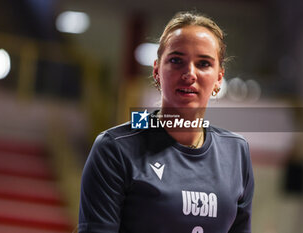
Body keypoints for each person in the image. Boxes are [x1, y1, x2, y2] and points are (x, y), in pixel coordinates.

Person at [78, 11, 254, 233]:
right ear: (157, 71)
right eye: (176, 60)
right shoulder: (114, 147)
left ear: (219, 77)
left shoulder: (236, 151)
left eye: (203, 63)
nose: (189, 74)